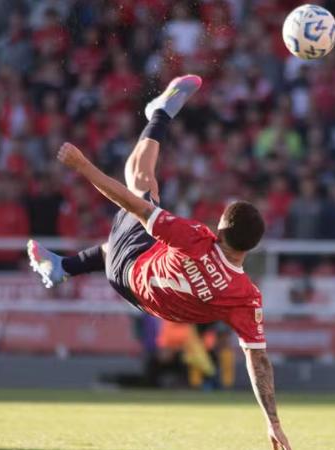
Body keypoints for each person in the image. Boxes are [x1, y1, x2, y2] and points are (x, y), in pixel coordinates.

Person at [28, 75, 291, 450]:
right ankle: (63, 268)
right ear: (253, 246)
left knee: (140, 183)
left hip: (132, 267)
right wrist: (273, 423)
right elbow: (259, 363)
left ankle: (160, 115)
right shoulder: (246, 297)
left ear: (219, 229)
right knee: (119, 232)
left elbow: (129, 203)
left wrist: (83, 165)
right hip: (144, 299)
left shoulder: (196, 239)